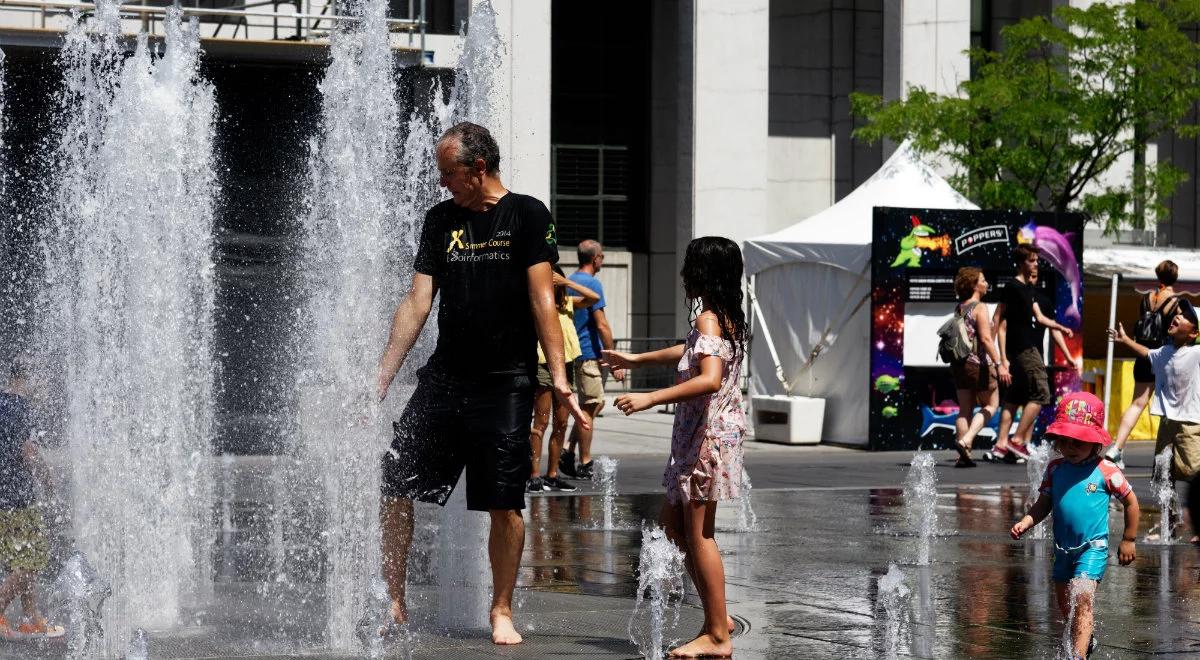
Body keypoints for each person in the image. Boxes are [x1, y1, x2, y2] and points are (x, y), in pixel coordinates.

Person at [375, 122, 587, 645]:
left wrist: (558, 378)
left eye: (448, 172)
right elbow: (417, 302)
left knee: (504, 503)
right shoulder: (440, 219)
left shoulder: (528, 215)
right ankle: (395, 602)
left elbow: (543, 300)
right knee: (393, 485)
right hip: (445, 380)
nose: (441, 181)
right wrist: (381, 377)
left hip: (505, 383)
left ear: (478, 168)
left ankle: (501, 610)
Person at [602, 236, 746, 658]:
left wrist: (649, 397)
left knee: (699, 534)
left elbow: (709, 378)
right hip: (700, 437)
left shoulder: (709, 320)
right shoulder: (720, 318)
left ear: (701, 273)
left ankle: (718, 636)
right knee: (673, 526)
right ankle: (718, 618)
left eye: (688, 267)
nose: (683, 275)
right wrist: (636, 360)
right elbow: (690, 353)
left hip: (705, 439)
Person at [1011, 391, 1139, 659]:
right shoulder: (1055, 469)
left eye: (1079, 442)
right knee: (1065, 604)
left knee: (1082, 598)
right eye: (1065, 441)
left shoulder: (1106, 470)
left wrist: (1128, 538)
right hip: (1062, 549)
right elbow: (1043, 504)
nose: (1071, 447)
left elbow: (1131, 502)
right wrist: (1027, 521)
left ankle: (1077, 656)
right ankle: (1086, 636)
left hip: (1093, 548)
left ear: (1096, 443)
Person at [1108, 298, 1200, 543]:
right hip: (1167, 423)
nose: (1177, 316)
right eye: (1178, 313)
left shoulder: (1197, 353)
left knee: (1193, 471)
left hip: (1192, 424)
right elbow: (1147, 353)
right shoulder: (1166, 352)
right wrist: (1125, 340)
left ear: (1194, 333)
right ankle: (1169, 526)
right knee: (1163, 474)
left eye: (1185, 317)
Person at [990, 244, 1074, 463]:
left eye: (1037, 261)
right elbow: (998, 320)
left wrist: (1061, 328)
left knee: (1025, 395)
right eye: (1031, 260)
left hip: (1030, 350)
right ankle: (1016, 441)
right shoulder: (1012, 287)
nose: (1036, 264)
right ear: (1021, 263)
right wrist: (999, 360)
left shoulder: (1029, 291)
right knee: (1041, 393)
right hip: (1022, 350)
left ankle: (1012, 443)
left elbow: (1040, 318)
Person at [0, 361, 63, 641]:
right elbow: (30, 453)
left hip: (4, 499)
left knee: (22, 562)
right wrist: (49, 483)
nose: (42, 384)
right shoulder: (23, 409)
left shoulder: (1, 403)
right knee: (31, 563)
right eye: (39, 377)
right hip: (19, 501)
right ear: (26, 377)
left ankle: (30, 619)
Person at [527, 264, 598, 493]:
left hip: (566, 366)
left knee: (561, 423)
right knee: (540, 423)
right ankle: (534, 475)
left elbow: (593, 297)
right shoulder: (538, 304)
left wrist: (566, 282)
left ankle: (552, 474)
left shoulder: (567, 303)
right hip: (542, 364)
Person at [1105, 260, 1182, 470]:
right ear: (1176, 277)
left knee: (1137, 404)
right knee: (1171, 408)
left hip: (1142, 356)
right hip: (1165, 358)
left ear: (1158, 276)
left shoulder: (1146, 298)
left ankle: (1116, 448)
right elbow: (1177, 331)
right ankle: (1169, 456)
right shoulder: (1177, 302)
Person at [560, 239, 624, 480]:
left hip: (571, 350)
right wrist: (614, 358)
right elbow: (601, 324)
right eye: (602, 256)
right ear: (595, 258)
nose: (603, 260)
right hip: (587, 352)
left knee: (593, 405)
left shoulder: (569, 280)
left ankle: (568, 450)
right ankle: (584, 461)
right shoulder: (592, 283)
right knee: (590, 405)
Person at [948, 267, 1009, 467]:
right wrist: (999, 364)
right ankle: (966, 440)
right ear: (975, 285)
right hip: (979, 365)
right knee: (991, 405)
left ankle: (964, 455)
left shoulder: (960, 307)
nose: (986, 284)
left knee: (964, 410)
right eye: (983, 280)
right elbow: (985, 338)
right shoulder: (980, 307)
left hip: (959, 365)